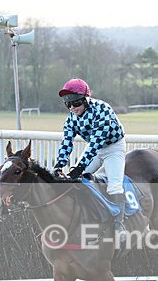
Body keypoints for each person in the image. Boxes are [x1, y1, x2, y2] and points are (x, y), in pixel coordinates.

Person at [52, 78, 127, 235]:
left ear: (86, 99)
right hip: (95, 149)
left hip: (113, 147)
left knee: (114, 186)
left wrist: (79, 167)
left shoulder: (102, 109)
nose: (72, 108)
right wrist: (59, 165)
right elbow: (67, 143)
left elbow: (96, 142)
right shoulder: (71, 119)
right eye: (68, 104)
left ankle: (119, 225)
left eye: (75, 103)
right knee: (74, 180)